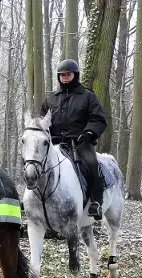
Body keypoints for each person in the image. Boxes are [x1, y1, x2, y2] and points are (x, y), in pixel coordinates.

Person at [40, 59, 107, 220]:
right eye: (62, 75)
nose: (64, 77)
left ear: (75, 75)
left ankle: (96, 203)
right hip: (56, 143)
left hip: (80, 143)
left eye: (68, 74)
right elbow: (42, 121)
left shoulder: (88, 96)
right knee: (37, 164)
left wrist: (89, 133)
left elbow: (98, 119)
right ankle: (35, 201)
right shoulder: (51, 99)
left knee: (92, 164)